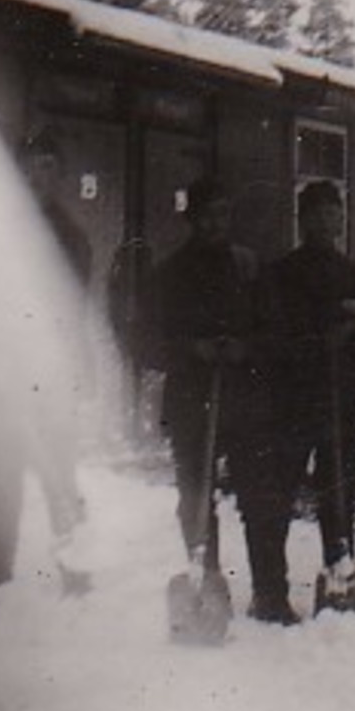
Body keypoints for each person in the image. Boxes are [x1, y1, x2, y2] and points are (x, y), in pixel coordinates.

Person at [259, 181, 355, 623]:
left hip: (343, 399)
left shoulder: (353, 273)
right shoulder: (281, 273)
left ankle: (339, 574)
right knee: (279, 493)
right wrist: (320, 338)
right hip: (295, 400)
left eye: (336, 212)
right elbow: (274, 336)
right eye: (321, 213)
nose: (331, 220)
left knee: (339, 491)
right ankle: (270, 591)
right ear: (304, 219)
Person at [0, 128, 94, 593]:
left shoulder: (70, 236)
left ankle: (75, 570)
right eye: (29, 164)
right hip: (5, 370)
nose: (37, 175)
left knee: (59, 474)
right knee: (2, 473)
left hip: (50, 371)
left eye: (48, 165)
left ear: (60, 174)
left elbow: (69, 305)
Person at [151, 177, 270, 604]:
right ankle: (207, 586)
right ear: (193, 220)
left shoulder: (249, 266)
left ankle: (268, 591)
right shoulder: (170, 273)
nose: (217, 223)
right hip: (189, 400)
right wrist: (192, 348)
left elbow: (270, 329)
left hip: (242, 399)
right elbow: (149, 342)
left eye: (224, 213)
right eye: (208, 215)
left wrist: (246, 348)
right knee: (196, 497)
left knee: (258, 493)